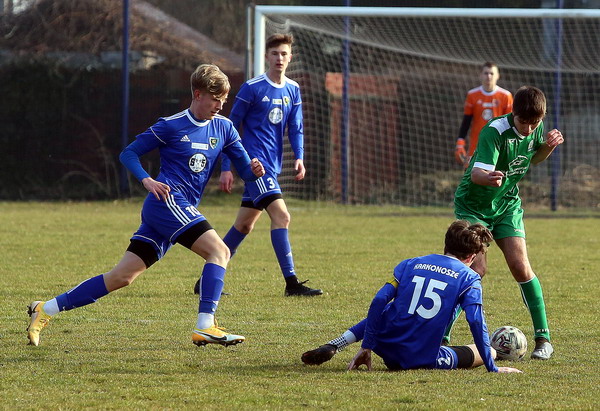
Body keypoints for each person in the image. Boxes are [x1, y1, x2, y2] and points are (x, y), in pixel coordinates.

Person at [27, 64, 265, 347]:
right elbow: (129, 154)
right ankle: (205, 326)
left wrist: (254, 170)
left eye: (223, 100)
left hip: (175, 210)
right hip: (167, 201)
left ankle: (46, 308)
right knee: (220, 251)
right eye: (215, 99)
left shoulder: (224, 128)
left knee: (122, 277)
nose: (220, 106)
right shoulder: (171, 125)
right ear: (197, 94)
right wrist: (147, 180)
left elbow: (245, 170)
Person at [193, 33, 322, 297]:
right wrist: (227, 167)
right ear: (266, 56)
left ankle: (205, 280)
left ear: (290, 57)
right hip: (254, 165)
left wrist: (299, 157)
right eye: (275, 53)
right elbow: (229, 127)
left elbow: (296, 127)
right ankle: (292, 283)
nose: (279, 58)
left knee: (244, 225)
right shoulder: (252, 88)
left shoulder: (293, 89)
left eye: (284, 54)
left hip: (273, 166)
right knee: (282, 216)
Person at [301, 221, 521, 373]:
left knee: (389, 311)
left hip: (387, 350)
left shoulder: (411, 263)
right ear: (472, 256)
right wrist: (492, 367)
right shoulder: (469, 278)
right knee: (491, 351)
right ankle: (493, 356)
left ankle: (336, 344)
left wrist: (366, 346)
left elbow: (379, 301)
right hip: (420, 358)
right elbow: (475, 320)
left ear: (445, 246)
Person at [449, 85, 564, 360]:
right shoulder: (494, 131)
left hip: (507, 204)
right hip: (473, 206)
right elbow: (476, 173)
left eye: (535, 123)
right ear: (514, 113)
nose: (529, 129)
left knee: (521, 266)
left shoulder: (535, 125)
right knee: (475, 270)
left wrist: (548, 146)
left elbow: (533, 159)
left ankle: (543, 339)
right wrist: (489, 178)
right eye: (524, 123)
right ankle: (442, 335)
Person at [455, 62, 513, 168]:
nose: (489, 76)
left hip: (497, 144)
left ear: (498, 76)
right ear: (480, 75)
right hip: (476, 144)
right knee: (470, 174)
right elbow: (466, 121)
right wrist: (460, 142)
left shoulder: (506, 96)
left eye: (492, 73)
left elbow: (510, 123)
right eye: (486, 73)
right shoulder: (472, 95)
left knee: (495, 175)